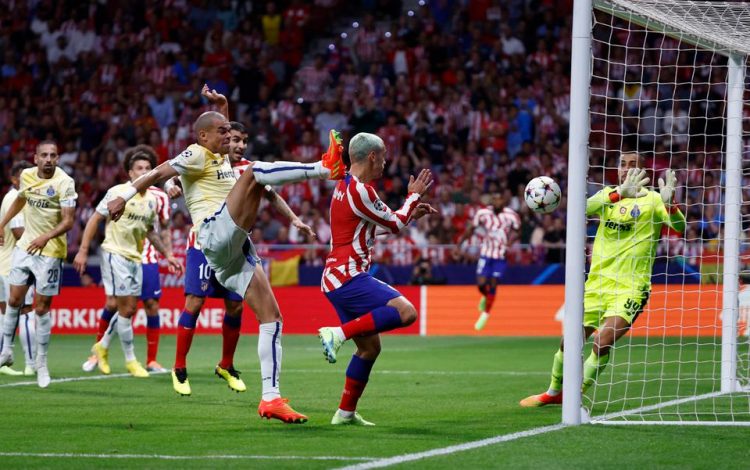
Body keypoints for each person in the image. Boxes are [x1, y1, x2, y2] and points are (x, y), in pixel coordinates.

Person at [105, 85, 345, 423]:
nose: (229, 136)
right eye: (222, 132)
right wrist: (124, 195)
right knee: (253, 171)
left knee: (272, 319)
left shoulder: (217, 155)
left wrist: (224, 106)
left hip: (234, 246)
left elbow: (221, 130)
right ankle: (325, 167)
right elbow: (159, 172)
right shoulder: (195, 153)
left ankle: (271, 399)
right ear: (203, 136)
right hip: (212, 235)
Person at [520, 152, 685, 407]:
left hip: (631, 287)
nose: (626, 169)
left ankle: (574, 395)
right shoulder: (607, 196)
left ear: (643, 171)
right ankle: (553, 392)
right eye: (623, 165)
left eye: (633, 165)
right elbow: (581, 209)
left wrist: (671, 204)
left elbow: (679, 227)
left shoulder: (654, 200)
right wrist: (619, 193)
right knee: (570, 341)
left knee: (602, 340)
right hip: (597, 284)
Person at [317, 132, 437, 426]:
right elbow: (394, 223)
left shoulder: (344, 185)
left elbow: (369, 229)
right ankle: (338, 334)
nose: (385, 162)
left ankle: (344, 413)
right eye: (383, 156)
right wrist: (413, 196)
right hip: (348, 276)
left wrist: (409, 216)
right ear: (372, 157)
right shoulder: (362, 191)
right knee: (406, 312)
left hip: (336, 278)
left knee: (370, 348)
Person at [75, 148, 182, 377]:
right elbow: (95, 217)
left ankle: (103, 347)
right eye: (139, 169)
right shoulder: (119, 192)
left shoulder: (153, 201)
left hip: (137, 257)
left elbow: (152, 233)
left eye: (147, 169)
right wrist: (83, 250)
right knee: (123, 307)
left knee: (131, 308)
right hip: (115, 254)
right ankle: (130, 360)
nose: (143, 173)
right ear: (130, 173)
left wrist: (169, 255)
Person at [0, 141, 77, 388]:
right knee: (13, 300)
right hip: (25, 249)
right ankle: (7, 351)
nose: (48, 159)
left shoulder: (65, 183)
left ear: (58, 158)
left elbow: (68, 222)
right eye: (44, 155)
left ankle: (41, 363)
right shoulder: (26, 176)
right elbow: (21, 200)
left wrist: (45, 237)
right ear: (35, 158)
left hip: (51, 252)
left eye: (53, 155)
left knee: (41, 308)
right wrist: (2, 223)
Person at [454, 193, 520, 331]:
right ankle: (486, 296)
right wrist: (459, 243)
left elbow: (518, 230)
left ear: (504, 201)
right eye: (494, 199)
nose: (497, 202)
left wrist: (511, 241)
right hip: (486, 253)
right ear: (491, 201)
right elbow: (471, 229)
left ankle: (486, 313)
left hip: (500, 255)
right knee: (481, 284)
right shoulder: (483, 213)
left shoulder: (511, 215)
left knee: (494, 281)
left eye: (500, 199)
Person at [0, 161, 36, 376]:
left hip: (4, 263)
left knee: (5, 313)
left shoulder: (8, 197)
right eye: (23, 177)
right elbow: (19, 232)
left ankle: (3, 360)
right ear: (14, 179)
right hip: (15, 265)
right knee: (25, 311)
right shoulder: (17, 198)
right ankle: (31, 364)